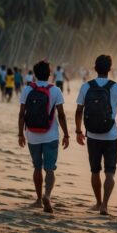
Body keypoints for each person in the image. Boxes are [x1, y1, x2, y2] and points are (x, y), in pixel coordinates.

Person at [75, 55, 117, 215]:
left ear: (95, 68)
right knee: (110, 172)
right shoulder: (116, 87)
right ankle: (105, 205)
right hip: (111, 135)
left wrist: (78, 131)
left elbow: (79, 111)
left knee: (94, 171)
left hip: (92, 134)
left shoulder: (86, 87)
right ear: (109, 69)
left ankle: (98, 202)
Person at [18, 60, 70, 213]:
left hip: (32, 135)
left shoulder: (27, 89)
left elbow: (22, 114)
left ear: (34, 74)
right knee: (49, 170)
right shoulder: (55, 91)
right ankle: (47, 195)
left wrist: (20, 133)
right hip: (51, 135)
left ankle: (39, 199)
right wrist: (67, 134)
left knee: (37, 167)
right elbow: (61, 115)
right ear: (49, 74)